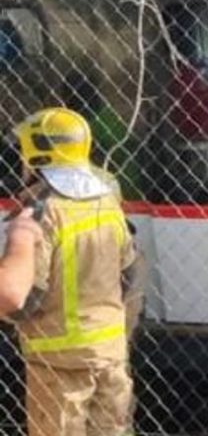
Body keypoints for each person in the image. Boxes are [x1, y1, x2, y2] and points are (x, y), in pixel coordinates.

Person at [0, 107, 143, 436]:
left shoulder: (41, 212)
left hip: (58, 362)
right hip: (109, 353)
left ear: (36, 158)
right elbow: (129, 273)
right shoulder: (106, 201)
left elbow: (27, 298)